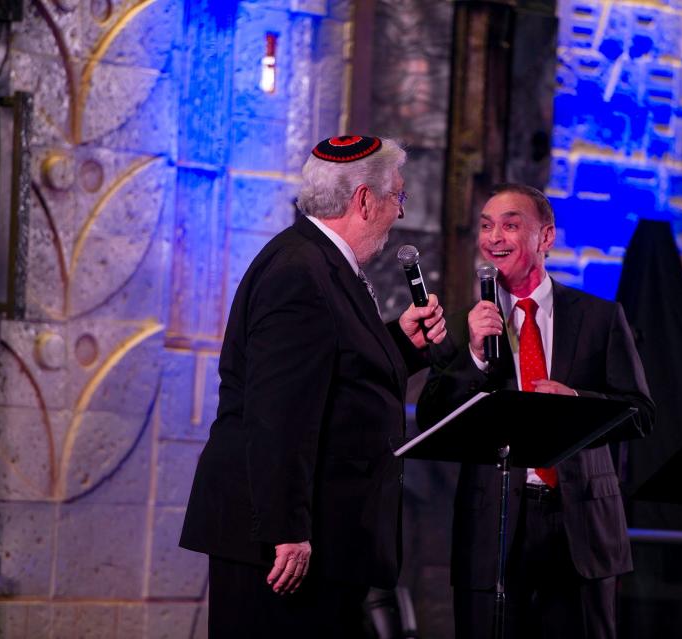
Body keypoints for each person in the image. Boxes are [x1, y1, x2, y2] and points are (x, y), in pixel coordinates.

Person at [180, 135, 447, 638]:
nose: (398, 214)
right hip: (283, 550)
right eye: (397, 198)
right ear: (364, 200)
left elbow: (333, 371)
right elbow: (278, 413)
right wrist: (287, 530)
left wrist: (401, 344)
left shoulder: (318, 261)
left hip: (321, 539)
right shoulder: (300, 272)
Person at [416, 183, 654, 639]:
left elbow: (641, 413)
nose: (494, 237)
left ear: (545, 238)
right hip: (495, 523)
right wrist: (474, 356)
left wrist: (579, 405)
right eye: (486, 226)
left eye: (510, 224)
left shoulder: (600, 318)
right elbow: (431, 416)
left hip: (580, 524)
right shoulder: (470, 323)